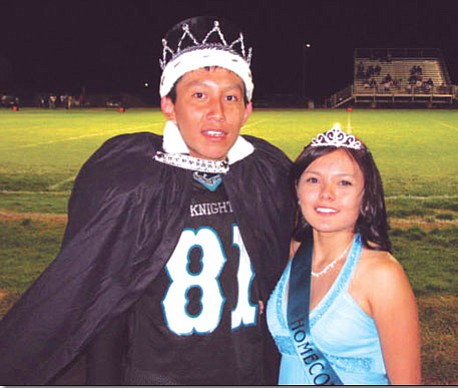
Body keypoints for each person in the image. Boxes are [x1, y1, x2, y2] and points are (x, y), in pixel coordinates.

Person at [0, 16, 295, 385]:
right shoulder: (133, 177)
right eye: (199, 95)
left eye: (231, 97)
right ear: (169, 106)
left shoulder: (266, 174)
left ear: (248, 109)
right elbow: (100, 301)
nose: (217, 112)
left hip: (247, 374)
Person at [266, 125, 421, 385]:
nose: (327, 194)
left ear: (366, 197)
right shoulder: (289, 254)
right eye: (313, 180)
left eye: (344, 183)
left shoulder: (381, 274)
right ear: (297, 190)